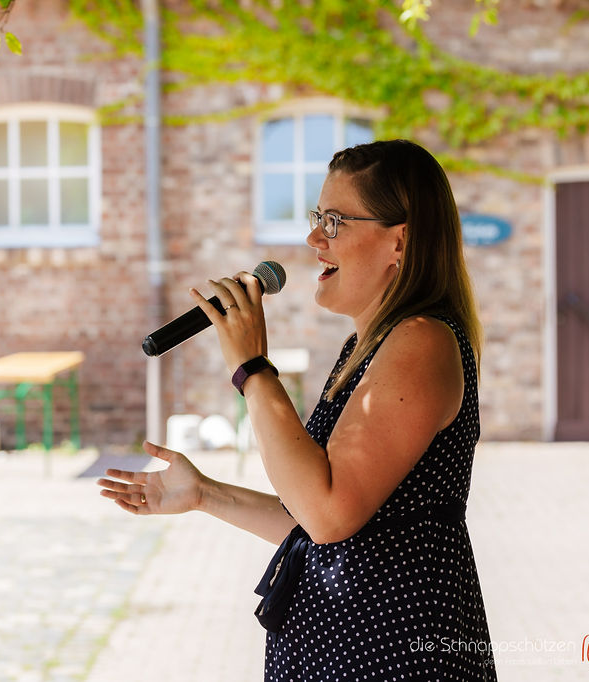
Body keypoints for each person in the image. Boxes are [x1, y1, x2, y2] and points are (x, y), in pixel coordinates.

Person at [98, 139, 497, 680]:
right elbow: (313, 514)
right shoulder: (367, 348)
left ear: (398, 243)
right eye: (317, 217)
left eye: (334, 221)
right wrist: (204, 494)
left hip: (397, 654)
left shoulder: (422, 341)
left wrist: (253, 368)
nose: (314, 239)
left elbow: (331, 514)